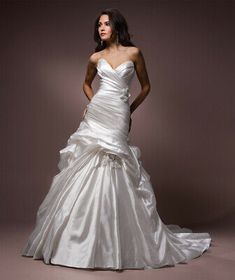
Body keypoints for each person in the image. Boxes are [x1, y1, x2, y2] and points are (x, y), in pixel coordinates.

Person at [21, 8, 212, 271]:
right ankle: (81, 240)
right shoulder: (95, 57)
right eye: (99, 24)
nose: (101, 28)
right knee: (88, 162)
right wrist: (92, 103)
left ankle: (117, 237)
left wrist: (129, 110)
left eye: (107, 24)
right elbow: (86, 84)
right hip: (99, 111)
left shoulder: (133, 53)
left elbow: (146, 87)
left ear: (117, 27)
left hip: (119, 113)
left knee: (116, 162)